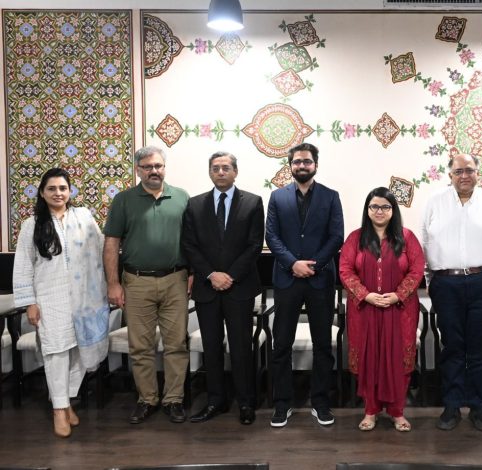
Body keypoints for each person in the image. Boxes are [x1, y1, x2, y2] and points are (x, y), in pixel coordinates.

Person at [13, 168, 110, 438]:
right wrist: (30, 303)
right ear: (42, 193)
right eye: (52, 189)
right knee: (56, 353)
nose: (58, 193)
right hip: (50, 299)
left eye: (63, 188)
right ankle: (59, 409)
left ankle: (66, 402)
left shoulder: (84, 217)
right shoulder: (32, 225)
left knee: (80, 351)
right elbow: (23, 266)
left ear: (70, 191)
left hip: (85, 298)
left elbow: (101, 248)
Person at [421, 153, 482, 432]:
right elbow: (425, 242)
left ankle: (478, 406)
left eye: (469, 170)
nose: (464, 176)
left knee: (481, 346)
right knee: (452, 346)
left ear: (477, 173)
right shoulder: (434, 202)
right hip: (446, 284)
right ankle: (451, 405)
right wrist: (430, 280)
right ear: (450, 175)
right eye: (458, 171)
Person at [103, 146, 191, 424]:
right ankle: (147, 399)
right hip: (136, 281)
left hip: (176, 280)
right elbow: (111, 243)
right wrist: (113, 283)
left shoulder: (182, 197)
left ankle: (173, 399)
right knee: (140, 346)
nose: (154, 171)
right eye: (148, 166)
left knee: (176, 344)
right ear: (138, 170)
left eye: (158, 166)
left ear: (165, 167)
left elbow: (193, 240)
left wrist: (193, 273)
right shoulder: (124, 200)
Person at [181, 151, 265, 425]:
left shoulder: (252, 202)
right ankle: (215, 400)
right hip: (207, 288)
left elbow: (254, 244)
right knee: (212, 347)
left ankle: (246, 402)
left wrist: (230, 276)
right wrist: (210, 275)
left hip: (239, 288)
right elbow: (189, 245)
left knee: (241, 348)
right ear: (210, 172)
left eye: (226, 167)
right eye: (215, 168)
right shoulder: (194, 204)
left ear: (235, 172)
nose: (220, 172)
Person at [266, 142, 344, 428]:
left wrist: (313, 265)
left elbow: (336, 236)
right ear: (290, 165)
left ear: (316, 165)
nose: (302, 165)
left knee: (323, 344)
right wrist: (292, 264)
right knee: (281, 344)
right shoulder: (277, 197)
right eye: (297, 161)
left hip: (320, 280)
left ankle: (320, 403)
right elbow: (272, 236)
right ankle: (282, 403)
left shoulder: (331, 196)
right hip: (287, 279)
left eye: (307, 161)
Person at [339, 187, 424, 432]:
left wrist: (397, 295)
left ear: (393, 210)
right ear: (367, 210)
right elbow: (345, 270)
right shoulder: (355, 238)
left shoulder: (407, 237)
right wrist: (366, 295)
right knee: (369, 359)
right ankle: (370, 411)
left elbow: (417, 269)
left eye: (385, 207)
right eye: (374, 206)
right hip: (364, 310)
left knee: (398, 360)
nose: (379, 211)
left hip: (400, 310)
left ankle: (397, 412)